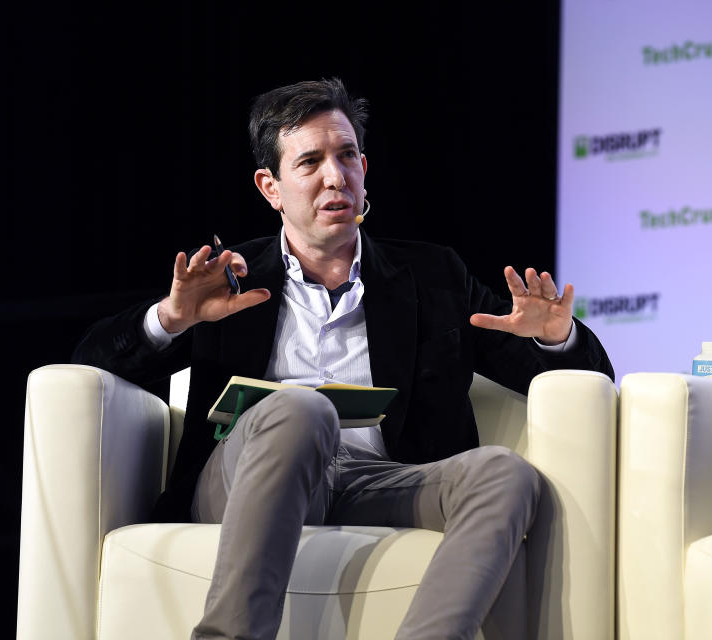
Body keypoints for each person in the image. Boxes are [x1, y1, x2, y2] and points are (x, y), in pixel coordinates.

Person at [72, 78, 613, 640]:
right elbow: (92, 365)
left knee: (504, 473)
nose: (336, 176)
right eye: (310, 162)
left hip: (376, 478)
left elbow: (589, 379)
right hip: (251, 474)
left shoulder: (432, 277)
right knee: (301, 413)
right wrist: (172, 318)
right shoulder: (230, 281)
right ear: (271, 187)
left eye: (347, 155)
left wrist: (555, 337)